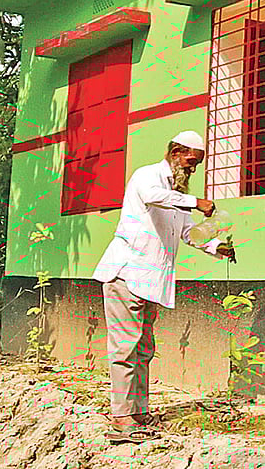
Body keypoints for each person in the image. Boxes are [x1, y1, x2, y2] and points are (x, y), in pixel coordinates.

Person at [92, 131, 236, 444]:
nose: (192, 169)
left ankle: (139, 412)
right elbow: (152, 197)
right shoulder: (148, 177)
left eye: (196, 164)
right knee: (124, 348)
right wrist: (196, 202)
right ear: (174, 151)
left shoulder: (178, 195)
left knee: (143, 349)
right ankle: (120, 417)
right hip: (126, 275)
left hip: (150, 282)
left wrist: (216, 247)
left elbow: (188, 234)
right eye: (189, 160)